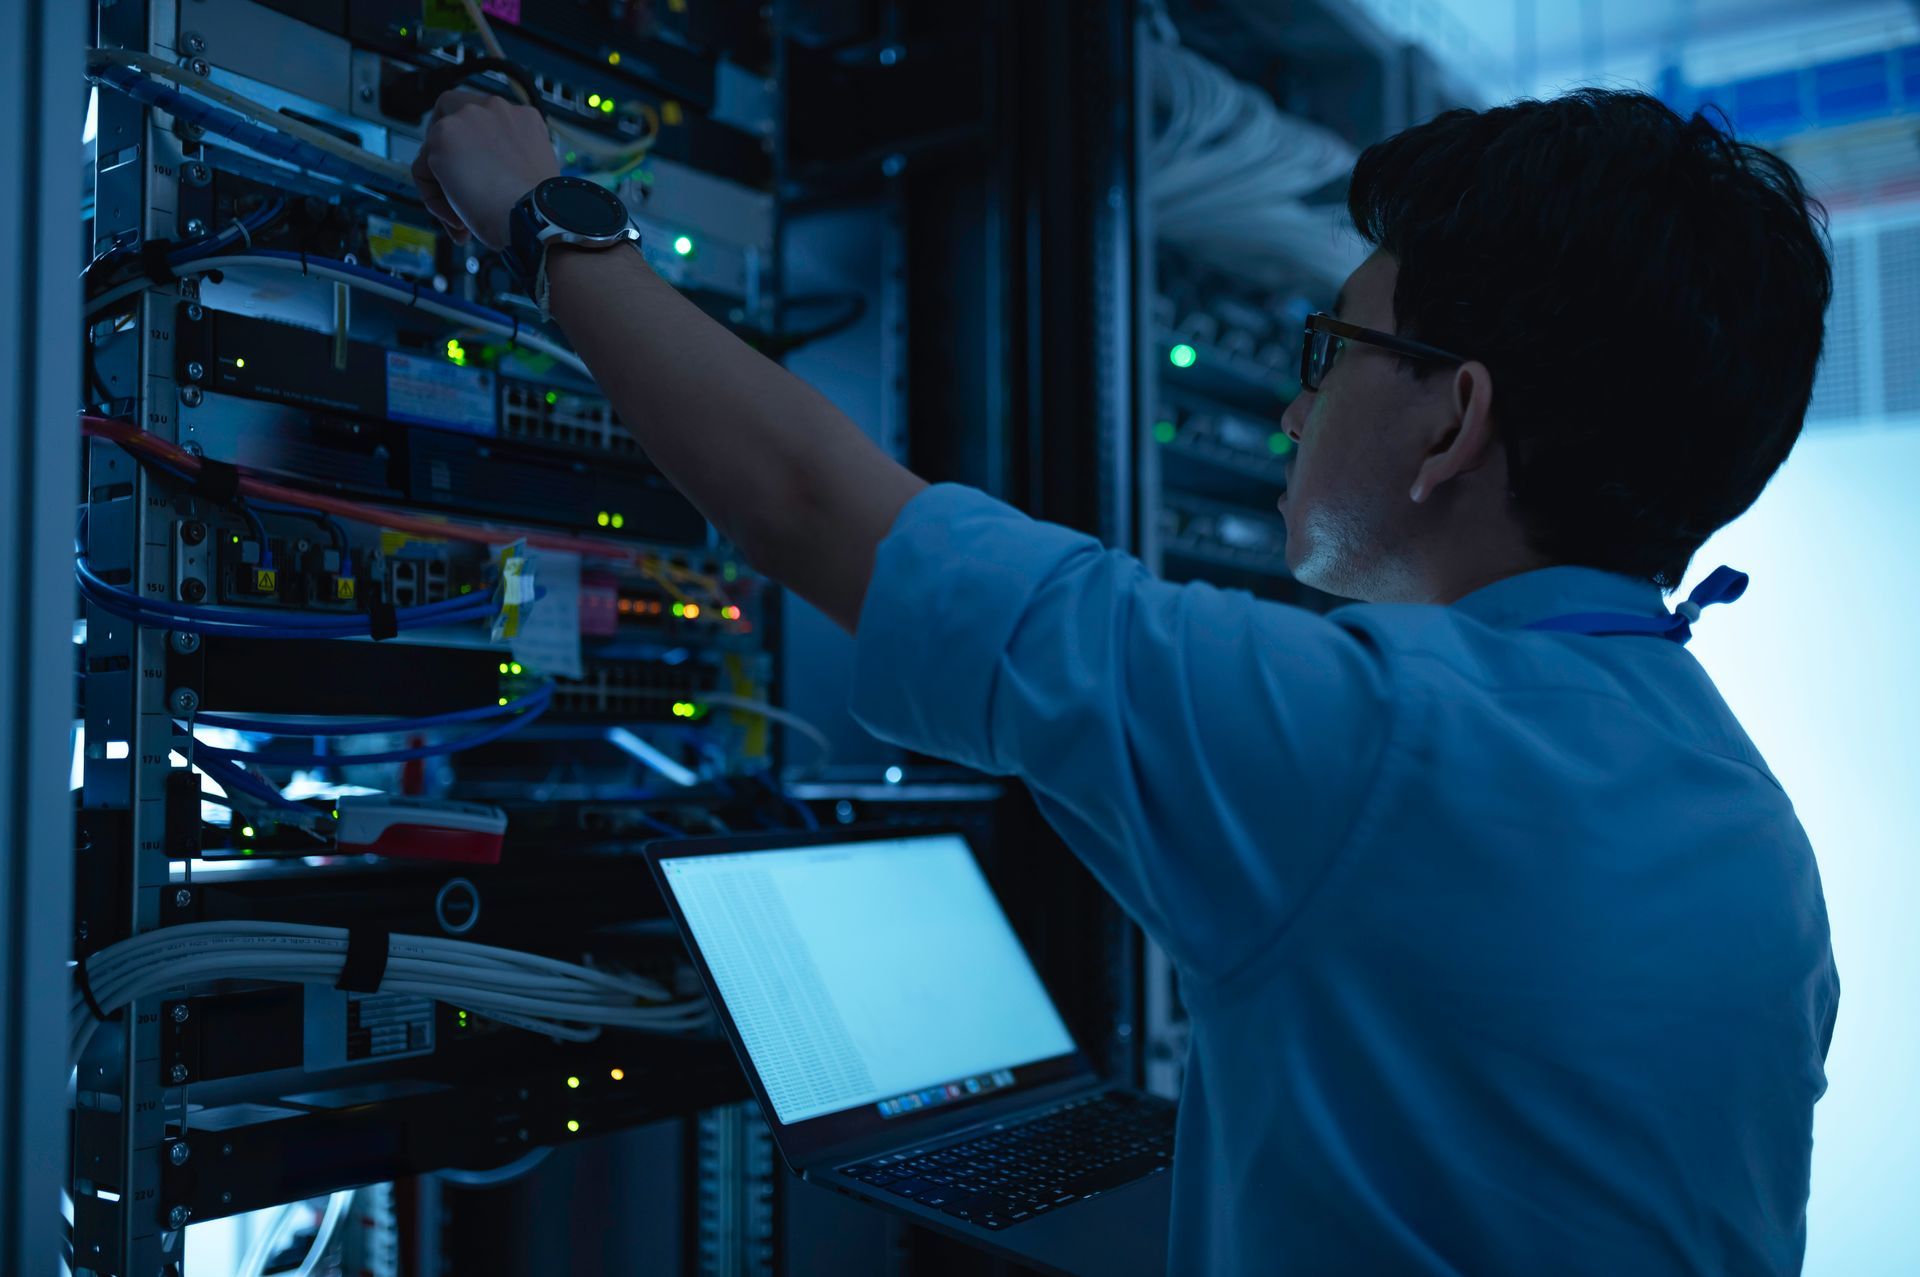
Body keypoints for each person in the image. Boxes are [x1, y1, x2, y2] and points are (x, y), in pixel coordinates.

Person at [412, 86, 1840, 1275]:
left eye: (1327, 348)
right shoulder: (1755, 838)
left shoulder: (1375, 741)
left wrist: (538, 216)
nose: (1292, 406)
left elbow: (813, 505)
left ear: (1453, 421)